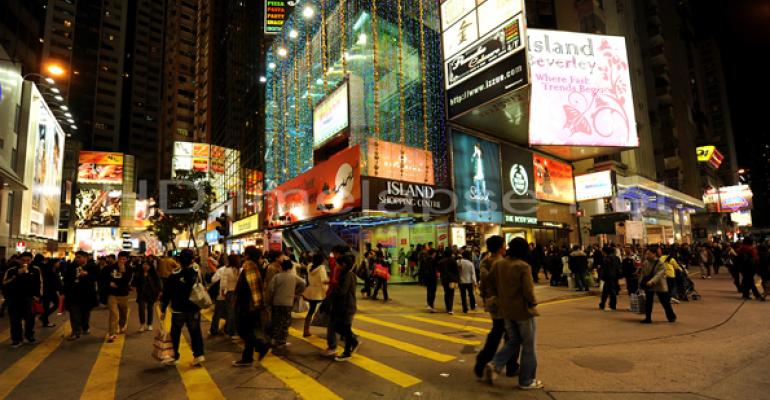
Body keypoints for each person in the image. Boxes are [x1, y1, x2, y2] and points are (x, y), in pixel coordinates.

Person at [482, 238, 543, 390]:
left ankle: (495, 364)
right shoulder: (523, 266)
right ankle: (527, 380)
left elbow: (489, 284)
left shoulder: (498, 264)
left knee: (513, 341)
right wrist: (533, 302)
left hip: (506, 310)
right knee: (528, 346)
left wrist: (499, 297)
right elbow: (528, 291)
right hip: (522, 311)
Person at [475, 236, 519, 379]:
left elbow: (482, 284)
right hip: (505, 302)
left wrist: (485, 299)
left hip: (491, 302)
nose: (505, 248)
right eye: (504, 245)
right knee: (513, 336)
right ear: (501, 247)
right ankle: (510, 366)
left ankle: (482, 362)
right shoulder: (503, 263)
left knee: (497, 332)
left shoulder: (484, 262)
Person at [160, 249, 205, 366]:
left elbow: (166, 293)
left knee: (175, 332)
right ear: (192, 260)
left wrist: (163, 308)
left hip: (178, 309)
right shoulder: (196, 272)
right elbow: (202, 286)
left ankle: (174, 355)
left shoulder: (174, 274)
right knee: (195, 332)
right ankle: (199, 355)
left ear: (179, 260)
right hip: (193, 308)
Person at [232, 246, 271, 367]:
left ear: (248, 255)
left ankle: (262, 345)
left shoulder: (249, 266)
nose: (243, 256)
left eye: (245, 254)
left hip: (248, 305)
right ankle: (247, 358)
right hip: (252, 305)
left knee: (243, 330)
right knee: (249, 330)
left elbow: (249, 288)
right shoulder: (256, 266)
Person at [2, 253, 42, 347]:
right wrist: (16, 274)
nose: (25, 262)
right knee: (15, 320)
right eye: (23, 260)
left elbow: (40, 283)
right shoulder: (11, 270)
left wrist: (38, 296)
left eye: (28, 260)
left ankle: (29, 336)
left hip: (29, 299)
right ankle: (16, 339)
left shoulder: (35, 270)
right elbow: (4, 283)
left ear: (31, 260)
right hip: (14, 299)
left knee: (30, 319)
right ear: (19, 260)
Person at [267, 260, 306, 354]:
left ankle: (275, 340)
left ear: (281, 267)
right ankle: (282, 342)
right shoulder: (294, 277)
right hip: (288, 303)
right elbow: (303, 283)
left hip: (277, 302)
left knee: (277, 321)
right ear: (291, 268)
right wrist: (297, 293)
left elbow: (271, 289)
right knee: (285, 322)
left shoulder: (277, 276)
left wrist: (271, 299)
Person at [330, 254, 360, 361]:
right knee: (340, 328)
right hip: (344, 306)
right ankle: (353, 342)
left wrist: (334, 288)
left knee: (345, 329)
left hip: (347, 306)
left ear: (343, 264)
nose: (336, 266)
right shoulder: (347, 274)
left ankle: (347, 352)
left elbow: (343, 291)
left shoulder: (347, 275)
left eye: (338, 264)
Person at [63, 251, 99, 340]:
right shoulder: (71, 266)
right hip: (74, 295)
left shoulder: (92, 267)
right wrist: (64, 291)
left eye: (79, 257)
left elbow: (98, 278)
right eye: (76, 257)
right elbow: (66, 279)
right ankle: (75, 332)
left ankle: (85, 327)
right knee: (74, 314)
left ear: (85, 257)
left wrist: (87, 275)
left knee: (85, 314)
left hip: (87, 295)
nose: (77, 259)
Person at [640, 247, 677, 324]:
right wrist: (640, 283)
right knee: (648, 302)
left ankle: (671, 316)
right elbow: (643, 274)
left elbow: (659, 274)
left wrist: (652, 281)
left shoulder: (660, 263)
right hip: (649, 286)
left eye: (649, 254)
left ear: (654, 254)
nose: (647, 255)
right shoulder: (646, 263)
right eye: (646, 254)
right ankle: (648, 318)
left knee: (665, 302)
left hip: (659, 286)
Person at [104, 251, 133, 342]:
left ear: (127, 260)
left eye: (124, 259)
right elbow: (105, 278)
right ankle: (112, 334)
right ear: (118, 258)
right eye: (120, 259)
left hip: (123, 294)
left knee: (123, 313)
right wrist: (109, 283)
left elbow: (127, 281)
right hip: (112, 294)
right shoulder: (111, 268)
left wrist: (123, 271)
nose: (122, 261)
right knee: (114, 314)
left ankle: (121, 325)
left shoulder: (129, 268)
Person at [210, 254, 240, 338]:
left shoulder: (224, 269)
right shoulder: (239, 270)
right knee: (232, 313)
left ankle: (215, 330)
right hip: (236, 294)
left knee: (218, 313)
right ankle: (230, 331)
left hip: (226, 294)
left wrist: (222, 292)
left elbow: (220, 282)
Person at [302, 253, 329, 337]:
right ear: (321, 260)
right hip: (319, 292)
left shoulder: (309, 267)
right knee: (328, 309)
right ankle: (331, 329)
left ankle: (306, 330)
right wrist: (327, 290)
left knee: (311, 310)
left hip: (311, 291)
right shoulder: (321, 268)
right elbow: (323, 281)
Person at [132, 260, 161, 332]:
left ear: (150, 266)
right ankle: (142, 324)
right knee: (141, 309)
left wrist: (159, 292)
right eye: (144, 264)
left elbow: (158, 283)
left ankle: (149, 324)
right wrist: (137, 276)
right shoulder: (138, 273)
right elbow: (133, 283)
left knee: (150, 309)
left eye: (147, 265)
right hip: (141, 294)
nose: (145, 266)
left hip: (151, 293)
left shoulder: (154, 273)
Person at [39, 258, 62, 328]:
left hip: (51, 291)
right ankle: (44, 319)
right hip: (48, 291)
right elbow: (50, 281)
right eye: (58, 262)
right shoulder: (48, 270)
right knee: (49, 305)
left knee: (48, 305)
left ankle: (44, 319)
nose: (59, 264)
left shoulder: (54, 270)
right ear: (54, 263)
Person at [598, 247, 622, 311]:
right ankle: (602, 304)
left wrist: (602, 277)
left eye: (602, 251)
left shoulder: (606, 259)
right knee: (605, 291)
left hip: (609, 277)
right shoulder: (616, 258)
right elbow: (619, 267)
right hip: (615, 276)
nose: (602, 253)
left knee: (611, 291)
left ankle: (612, 306)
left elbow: (606, 269)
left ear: (605, 252)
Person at [437, 248, 460, 315]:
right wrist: (457, 279)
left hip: (444, 279)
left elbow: (439, 270)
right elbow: (456, 271)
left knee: (446, 293)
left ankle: (447, 307)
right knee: (451, 294)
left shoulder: (441, 261)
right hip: (451, 279)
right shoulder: (453, 261)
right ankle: (450, 308)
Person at [418, 247, 439, 312]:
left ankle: (429, 305)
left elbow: (421, 270)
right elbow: (435, 269)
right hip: (432, 278)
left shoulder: (425, 260)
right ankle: (431, 305)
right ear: (433, 253)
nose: (435, 254)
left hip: (427, 278)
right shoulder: (433, 260)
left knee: (429, 291)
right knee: (432, 292)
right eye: (435, 253)